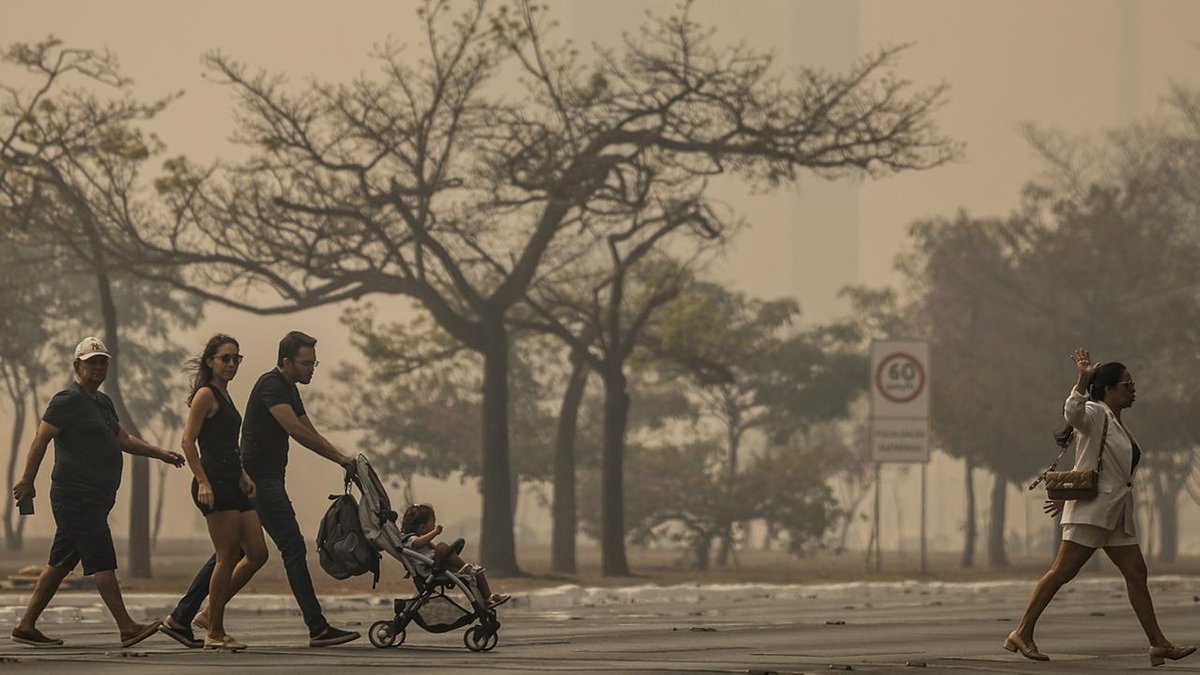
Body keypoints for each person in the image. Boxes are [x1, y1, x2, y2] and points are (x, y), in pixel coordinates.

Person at [1005, 347, 1196, 666]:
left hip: (1116, 513)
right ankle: (1022, 632)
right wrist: (1081, 381)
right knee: (1062, 572)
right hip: (1093, 512)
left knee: (1137, 573)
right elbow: (1072, 413)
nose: (1133, 389)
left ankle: (1158, 644)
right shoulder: (1094, 413)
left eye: (1133, 384)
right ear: (1108, 389)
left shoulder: (1116, 422)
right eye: (1127, 384)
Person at [178, 331, 360, 647]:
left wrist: (341, 457)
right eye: (306, 363)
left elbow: (309, 429)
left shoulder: (287, 388)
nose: (311, 369)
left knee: (236, 552)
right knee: (291, 546)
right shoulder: (271, 386)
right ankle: (317, 627)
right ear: (286, 361)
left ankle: (187, 615)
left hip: (251, 477)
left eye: (314, 364)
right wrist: (339, 458)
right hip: (258, 479)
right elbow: (295, 430)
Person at [10, 337, 186, 648]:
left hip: (95, 496)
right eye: (92, 362)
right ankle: (127, 627)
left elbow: (123, 439)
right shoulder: (66, 400)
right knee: (102, 559)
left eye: (102, 362)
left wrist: (160, 453)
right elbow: (41, 439)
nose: (98, 367)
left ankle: (25, 626)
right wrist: (27, 480)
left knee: (59, 564)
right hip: (76, 495)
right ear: (77, 365)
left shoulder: (102, 402)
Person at [159, 335, 268, 651]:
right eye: (225, 358)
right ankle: (215, 631)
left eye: (236, 358)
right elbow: (187, 441)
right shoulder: (205, 394)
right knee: (227, 556)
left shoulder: (225, 394)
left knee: (257, 553)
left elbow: (226, 444)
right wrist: (203, 482)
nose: (232, 364)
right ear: (210, 361)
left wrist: (243, 474)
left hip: (233, 481)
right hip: (214, 483)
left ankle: (207, 615)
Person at [400, 503, 510, 608]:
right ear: (422, 527)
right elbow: (417, 543)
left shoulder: (422, 541)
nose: (434, 526)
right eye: (433, 523)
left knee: (478, 572)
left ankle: (488, 598)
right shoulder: (410, 539)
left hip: (438, 565)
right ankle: (465, 568)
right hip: (430, 569)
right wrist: (435, 532)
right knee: (441, 546)